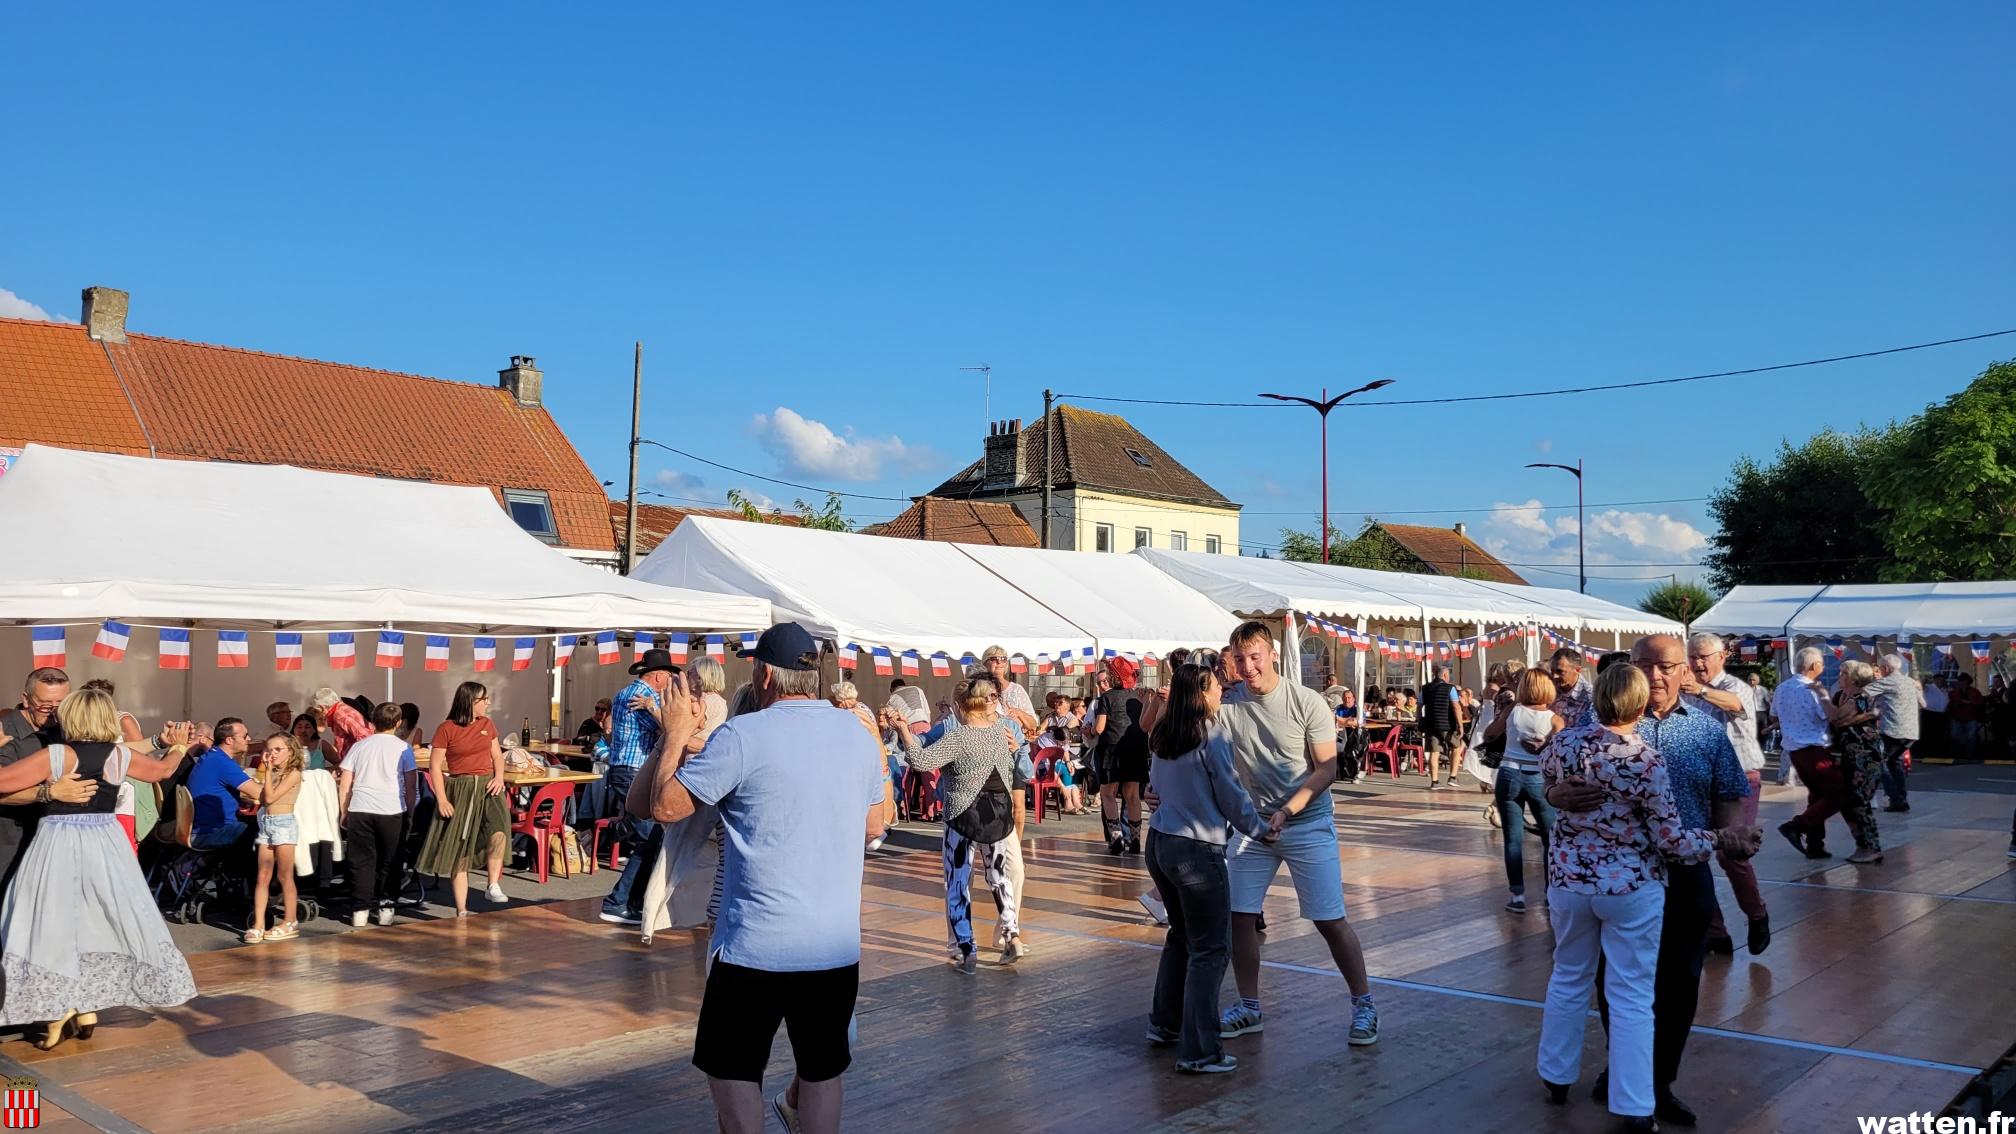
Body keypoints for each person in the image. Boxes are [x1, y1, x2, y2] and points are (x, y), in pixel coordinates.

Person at [638, 622, 886, 1134]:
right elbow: (874, 825)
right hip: (835, 944)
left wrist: (677, 732)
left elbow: (663, 807)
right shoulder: (858, 736)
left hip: (755, 945)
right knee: (822, 1072)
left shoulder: (743, 735)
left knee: (732, 1072)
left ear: (763, 675)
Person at [1537, 663, 1761, 1130]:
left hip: (1569, 882)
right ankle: (1635, 1105)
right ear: (1639, 705)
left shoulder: (1561, 743)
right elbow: (1673, 842)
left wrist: (1559, 795)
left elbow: (1549, 788)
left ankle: (1555, 1076)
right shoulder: (1643, 759)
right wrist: (1722, 840)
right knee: (1631, 993)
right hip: (1629, 887)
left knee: (1569, 975)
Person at [0, 688, 195, 1049]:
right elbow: (162, 771)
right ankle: (85, 1006)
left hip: (58, 843)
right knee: (95, 919)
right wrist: (180, 746)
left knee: (48, 920)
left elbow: (3, 782)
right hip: (106, 843)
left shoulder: (58, 754)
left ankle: (62, 1006)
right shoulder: (119, 755)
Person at [1216, 621, 1380, 1047]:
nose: (1247, 666)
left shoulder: (1306, 701)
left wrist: (1290, 809)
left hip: (1307, 824)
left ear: (1272, 654)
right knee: (1239, 917)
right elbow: (1192, 743)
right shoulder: (1228, 704)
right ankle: (1249, 1007)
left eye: (1254, 656)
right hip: (1254, 828)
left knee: (1329, 920)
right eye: (1239, 658)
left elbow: (1327, 767)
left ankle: (1364, 1004)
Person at [1142, 661, 1272, 1074]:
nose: (1222, 692)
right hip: (1197, 849)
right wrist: (1259, 827)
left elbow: (1155, 788)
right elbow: (1230, 793)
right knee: (1210, 949)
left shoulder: (1164, 734)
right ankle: (1200, 1050)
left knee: (1180, 937)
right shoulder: (1209, 734)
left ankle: (1165, 1024)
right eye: (1216, 687)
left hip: (1160, 842)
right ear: (1201, 694)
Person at [1683, 633, 1773, 957]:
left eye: (1703, 656)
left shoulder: (1737, 687)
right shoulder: (1687, 693)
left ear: (1722, 656)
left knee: (1732, 852)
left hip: (1739, 781)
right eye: (1692, 657)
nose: (1697, 663)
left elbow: (1735, 705)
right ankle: (1715, 932)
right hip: (1699, 782)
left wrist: (1702, 691)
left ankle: (1757, 914)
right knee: (1693, 854)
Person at [415, 682, 510, 917]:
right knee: (461, 847)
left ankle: (493, 884)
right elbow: (434, 766)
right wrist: (442, 799)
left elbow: (497, 756)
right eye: (484, 699)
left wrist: (499, 777)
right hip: (461, 787)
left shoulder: (487, 724)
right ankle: (461, 909)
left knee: (499, 832)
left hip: (488, 787)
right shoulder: (447, 728)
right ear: (470, 701)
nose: (488, 703)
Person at [0, 668, 102, 887]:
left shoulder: (65, 728)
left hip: (55, 838)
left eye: (61, 705)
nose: (53, 712)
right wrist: (48, 792)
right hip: (11, 838)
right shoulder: (5, 732)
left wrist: (157, 743)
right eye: (46, 705)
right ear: (26, 699)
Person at [598, 649, 678, 926]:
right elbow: (670, 728)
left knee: (649, 837)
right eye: (669, 676)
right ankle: (619, 902)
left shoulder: (628, 692)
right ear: (658, 675)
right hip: (634, 772)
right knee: (651, 838)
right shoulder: (642, 697)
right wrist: (656, 709)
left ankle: (628, 901)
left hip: (625, 771)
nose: (670, 681)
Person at [340, 702, 419, 928]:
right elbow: (411, 786)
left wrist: (343, 810)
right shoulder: (403, 748)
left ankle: (360, 909)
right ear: (398, 723)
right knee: (390, 860)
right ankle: (386, 906)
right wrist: (410, 810)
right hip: (392, 809)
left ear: (373, 721)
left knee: (361, 860)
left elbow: (345, 782)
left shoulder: (359, 746)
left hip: (360, 807)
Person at [1496, 669, 1562, 913]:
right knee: (1549, 837)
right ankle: (1549, 893)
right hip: (1537, 777)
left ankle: (1517, 896)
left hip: (1508, 772)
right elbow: (1561, 750)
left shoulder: (1513, 709)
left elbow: (1492, 732)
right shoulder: (1555, 719)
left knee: (1513, 839)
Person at [1773, 648, 1841, 860]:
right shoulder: (1812, 690)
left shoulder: (1782, 688)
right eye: (1821, 664)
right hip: (1814, 749)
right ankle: (1796, 826)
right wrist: (1825, 697)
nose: (1822, 667)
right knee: (1839, 794)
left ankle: (1814, 845)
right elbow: (1831, 716)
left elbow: (1773, 714)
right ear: (1814, 667)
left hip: (1794, 750)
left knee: (1817, 796)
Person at [245, 732, 305, 944]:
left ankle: (290, 920)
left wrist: (267, 772)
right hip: (267, 824)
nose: (272, 754)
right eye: (269, 750)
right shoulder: (273, 773)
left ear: (291, 751)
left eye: (278, 750)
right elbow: (262, 798)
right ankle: (259, 923)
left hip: (284, 825)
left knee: (284, 875)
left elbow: (269, 797)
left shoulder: (294, 773)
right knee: (262, 875)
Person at [1089, 656, 1151, 854]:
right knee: (1132, 795)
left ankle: (1115, 838)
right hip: (1136, 747)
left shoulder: (1106, 698)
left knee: (1108, 793)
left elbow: (1099, 728)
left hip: (1112, 748)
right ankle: (1135, 840)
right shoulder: (1138, 697)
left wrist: (1088, 731)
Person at [186, 719, 263, 850]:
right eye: (244, 736)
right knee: (268, 834)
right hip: (211, 831)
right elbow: (262, 794)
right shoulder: (222, 762)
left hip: (200, 828)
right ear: (229, 740)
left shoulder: (212, 756)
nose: (249, 739)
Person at [1420, 666, 1462, 789]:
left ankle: (1434, 781)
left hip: (1430, 724)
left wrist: (1419, 721)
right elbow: (1456, 707)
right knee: (1456, 747)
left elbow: (1419, 706)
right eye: (1448, 675)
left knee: (1434, 752)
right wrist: (1460, 724)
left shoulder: (1425, 688)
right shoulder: (1450, 688)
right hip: (1447, 725)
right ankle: (1453, 777)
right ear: (1444, 675)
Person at [310, 687, 371, 768]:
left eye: (317, 710)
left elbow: (365, 736)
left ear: (322, 708)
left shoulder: (340, 714)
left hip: (359, 764)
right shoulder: (341, 710)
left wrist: (356, 763)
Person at [1549, 648, 1595, 728]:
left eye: (1560, 672)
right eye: (1552, 671)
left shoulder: (1590, 697)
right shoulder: (1550, 689)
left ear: (1577, 670)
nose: (1554, 676)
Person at [1947, 673, 1986, 758]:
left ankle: (1970, 755)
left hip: (1971, 717)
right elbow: (1949, 704)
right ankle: (1955, 754)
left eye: (1964, 680)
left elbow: (1981, 702)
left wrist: (1971, 702)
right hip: (1957, 717)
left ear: (1968, 681)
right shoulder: (1954, 692)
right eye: (1961, 680)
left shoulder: (1975, 691)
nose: (1962, 682)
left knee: (1971, 737)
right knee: (1954, 736)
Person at [1921, 674, 1949, 758]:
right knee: (1929, 733)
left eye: (1942, 680)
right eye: (1939, 679)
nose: (1940, 681)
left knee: (1939, 734)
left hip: (1941, 714)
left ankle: (1938, 752)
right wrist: (1924, 681)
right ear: (1935, 680)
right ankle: (1927, 753)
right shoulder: (1929, 687)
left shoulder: (1944, 690)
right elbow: (1922, 687)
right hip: (1930, 713)